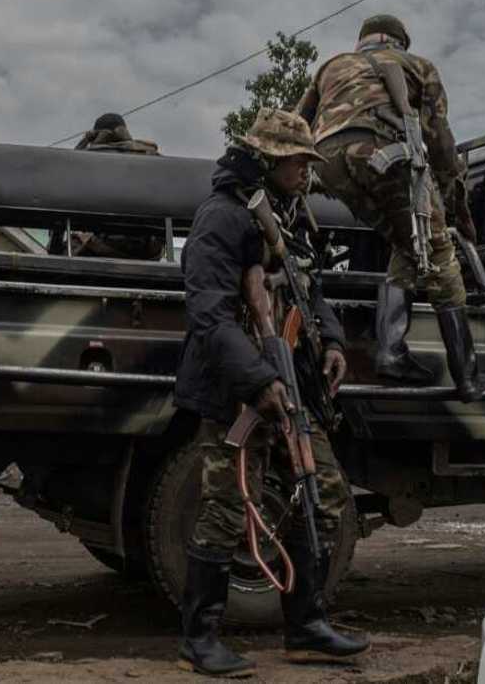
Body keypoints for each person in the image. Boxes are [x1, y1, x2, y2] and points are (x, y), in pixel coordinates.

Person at [174, 109, 368, 677]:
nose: (308, 173)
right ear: (270, 160)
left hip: (295, 384)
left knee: (323, 495)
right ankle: (198, 639)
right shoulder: (222, 218)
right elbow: (210, 315)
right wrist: (259, 382)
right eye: (300, 162)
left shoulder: (290, 218)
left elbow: (313, 289)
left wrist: (331, 342)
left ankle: (306, 626)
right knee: (228, 509)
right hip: (237, 392)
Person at [295, 14, 483, 401]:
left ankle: (392, 352)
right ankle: (468, 379)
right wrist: (450, 195)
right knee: (439, 255)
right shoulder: (418, 66)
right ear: (401, 42)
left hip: (326, 161)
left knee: (404, 239)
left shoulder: (331, 66)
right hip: (381, 152)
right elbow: (440, 141)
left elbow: (297, 122)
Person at [48, 113, 165, 259]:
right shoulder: (153, 158)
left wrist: (85, 142)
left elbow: (65, 184)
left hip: (102, 246)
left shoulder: (88, 159)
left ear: (97, 135)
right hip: (146, 249)